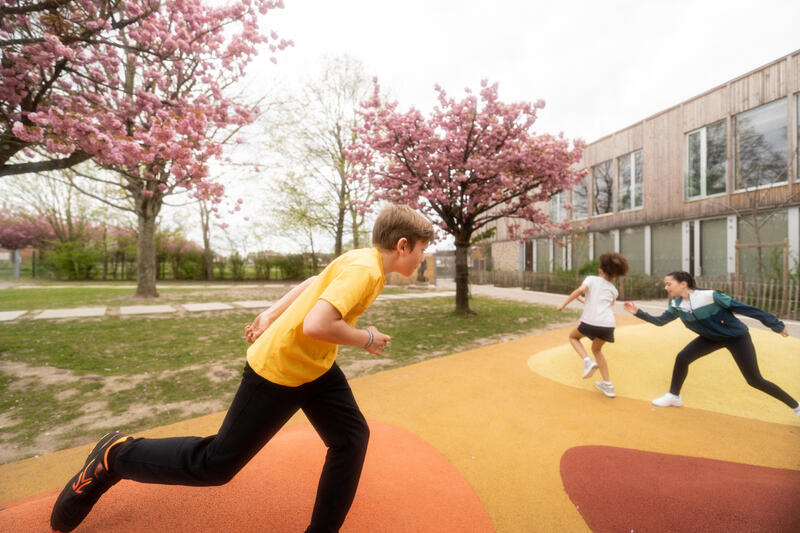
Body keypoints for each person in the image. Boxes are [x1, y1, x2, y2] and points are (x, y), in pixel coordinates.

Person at [50, 204, 434, 533]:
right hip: (280, 368)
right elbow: (315, 325)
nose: (422, 257)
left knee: (351, 439)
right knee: (216, 464)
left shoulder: (361, 260)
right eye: (422, 249)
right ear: (403, 245)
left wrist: (270, 312)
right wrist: (366, 338)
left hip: (314, 368)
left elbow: (313, 282)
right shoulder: (365, 270)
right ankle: (116, 455)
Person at [623, 271, 800, 418]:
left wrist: (775, 324)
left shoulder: (710, 296)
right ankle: (674, 396)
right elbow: (660, 321)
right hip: (710, 338)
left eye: (669, 284)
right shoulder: (676, 305)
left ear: (683, 284)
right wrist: (639, 313)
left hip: (736, 337)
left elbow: (746, 309)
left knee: (754, 380)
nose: (666, 287)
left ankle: (796, 406)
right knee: (683, 357)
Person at [556, 252, 630, 398]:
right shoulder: (614, 290)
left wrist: (563, 304)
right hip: (608, 325)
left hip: (590, 321)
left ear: (600, 270)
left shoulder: (591, 279)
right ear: (615, 275)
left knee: (573, 338)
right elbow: (600, 304)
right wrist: (581, 300)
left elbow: (580, 290)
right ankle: (608, 385)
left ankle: (587, 361)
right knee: (597, 350)